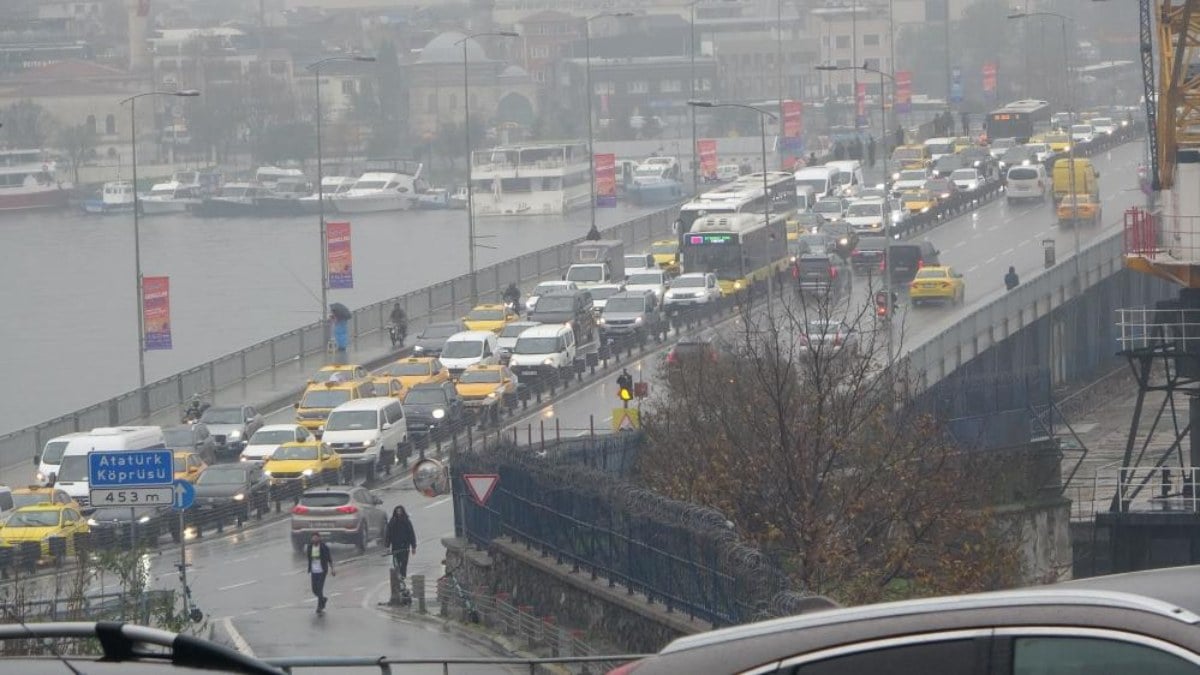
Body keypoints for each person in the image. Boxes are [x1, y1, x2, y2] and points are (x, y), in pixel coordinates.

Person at [384, 506, 417, 580]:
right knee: (396, 563)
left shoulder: (406, 521)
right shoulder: (392, 522)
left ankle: (403, 576)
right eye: (397, 511)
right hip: (395, 547)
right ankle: (397, 577)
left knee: (404, 563)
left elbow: (411, 534)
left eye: (400, 511)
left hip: (405, 547)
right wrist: (387, 546)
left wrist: (413, 546)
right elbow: (388, 535)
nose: (399, 513)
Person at [305, 533, 335, 614]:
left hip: (322, 571)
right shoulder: (310, 547)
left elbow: (329, 558)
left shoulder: (323, 547)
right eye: (313, 538)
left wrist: (332, 569)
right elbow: (309, 559)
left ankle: (319, 607)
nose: (314, 539)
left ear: (319, 539)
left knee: (320, 589)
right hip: (314, 571)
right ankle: (323, 599)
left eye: (316, 538)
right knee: (314, 590)